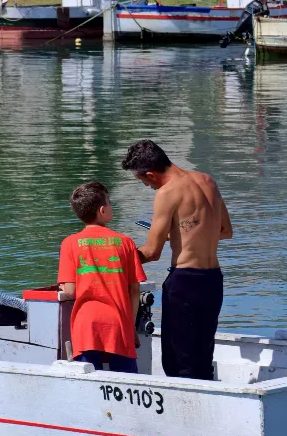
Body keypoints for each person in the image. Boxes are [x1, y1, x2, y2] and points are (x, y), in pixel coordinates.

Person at [121, 140, 232, 380]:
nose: (147, 186)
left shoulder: (167, 193)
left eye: (144, 182)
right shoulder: (208, 180)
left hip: (185, 282)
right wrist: (179, 234)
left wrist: (115, 259)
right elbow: (225, 231)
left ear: (150, 174)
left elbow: (152, 252)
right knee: (202, 357)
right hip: (213, 280)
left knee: (177, 361)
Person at [58, 181, 147, 373]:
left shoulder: (70, 243)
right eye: (109, 202)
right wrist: (130, 327)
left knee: (88, 388)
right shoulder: (125, 243)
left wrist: (62, 287)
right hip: (119, 325)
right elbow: (134, 290)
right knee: (127, 387)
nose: (111, 206)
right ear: (102, 210)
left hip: (86, 327)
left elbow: (70, 290)